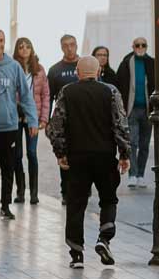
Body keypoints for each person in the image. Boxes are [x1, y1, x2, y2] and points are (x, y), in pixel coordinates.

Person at [46, 56, 130, 268]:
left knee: (76, 204)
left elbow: (55, 127)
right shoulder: (110, 92)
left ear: (77, 71)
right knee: (109, 199)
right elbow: (120, 124)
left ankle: (76, 254)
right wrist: (125, 153)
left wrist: (60, 152)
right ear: (99, 71)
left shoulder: (67, 92)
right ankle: (104, 238)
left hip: (78, 157)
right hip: (104, 156)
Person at [0, 30, 38, 220]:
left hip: (8, 127)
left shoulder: (13, 67)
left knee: (8, 169)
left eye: (1, 41)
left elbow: (26, 96)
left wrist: (33, 120)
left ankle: (5, 205)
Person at [11, 37, 50, 204]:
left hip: (33, 118)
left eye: (27, 46)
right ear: (17, 50)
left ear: (32, 49)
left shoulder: (39, 70)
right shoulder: (13, 68)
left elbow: (45, 95)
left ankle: (34, 193)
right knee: (17, 155)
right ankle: (20, 191)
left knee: (32, 153)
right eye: (21, 47)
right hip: (15, 118)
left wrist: (43, 118)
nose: (24, 49)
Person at [115, 35, 155, 188]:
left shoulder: (151, 63)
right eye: (137, 45)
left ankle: (140, 175)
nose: (140, 48)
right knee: (132, 142)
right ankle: (132, 174)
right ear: (132, 47)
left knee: (144, 144)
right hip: (131, 110)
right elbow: (118, 85)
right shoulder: (126, 63)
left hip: (147, 110)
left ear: (146, 47)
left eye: (143, 45)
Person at [47, 34, 81, 202]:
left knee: (83, 154)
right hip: (64, 120)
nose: (69, 48)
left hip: (84, 119)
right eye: (66, 45)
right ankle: (66, 191)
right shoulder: (55, 70)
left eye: (72, 45)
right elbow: (49, 96)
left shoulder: (85, 65)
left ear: (76, 45)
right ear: (61, 47)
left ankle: (82, 187)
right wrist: (46, 121)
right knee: (64, 154)